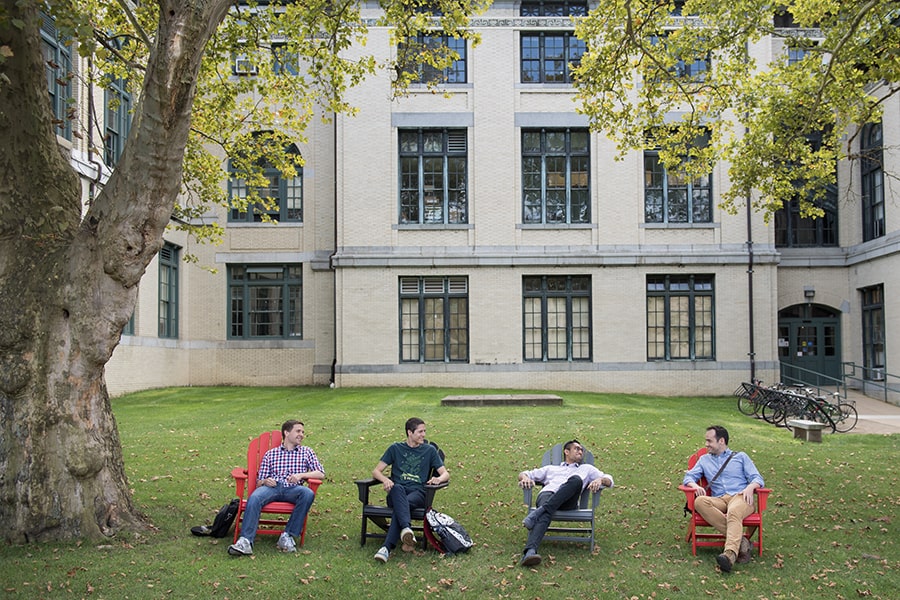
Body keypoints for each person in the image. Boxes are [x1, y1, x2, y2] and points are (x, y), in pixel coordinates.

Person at [228, 420, 325, 556]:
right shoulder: (271, 454)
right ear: (286, 432)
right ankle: (245, 542)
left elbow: (320, 473)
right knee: (255, 497)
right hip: (272, 488)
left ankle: (287, 536)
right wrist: (266, 481)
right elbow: (259, 481)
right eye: (298, 431)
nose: (301, 435)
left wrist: (301, 475)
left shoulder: (306, 452)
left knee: (308, 493)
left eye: (303, 432)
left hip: (293, 489)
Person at [517, 439, 614, 567]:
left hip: (568, 502)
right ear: (566, 452)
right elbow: (524, 473)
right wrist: (524, 478)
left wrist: (601, 480)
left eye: (581, 450)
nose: (580, 451)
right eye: (577, 449)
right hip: (548, 494)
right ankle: (530, 552)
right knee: (547, 511)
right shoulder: (550, 468)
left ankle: (536, 513)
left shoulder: (587, 469)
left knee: (576, 480)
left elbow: (610, 480)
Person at [682, 425, 764, 573]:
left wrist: (751, 487)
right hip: (719, 499)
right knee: (699, 501)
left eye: (709, 441)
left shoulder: (741, 457)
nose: (706, 444)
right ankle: (742, 542)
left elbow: (757, 477)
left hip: (740, 497)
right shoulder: (704, 460)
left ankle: (729, 555)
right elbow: (688, 476)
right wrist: (694, 485)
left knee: (733, 512)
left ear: (721, 441)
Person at [371, 417, 449, 563]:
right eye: (420, 432)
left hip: (418, 494)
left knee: (402, 505)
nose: (423, 435)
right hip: (396, 493)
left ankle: (386, 548)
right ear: (409, 432)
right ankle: (406, 530)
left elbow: (445, 473)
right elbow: (376, 471)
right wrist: (386, 480)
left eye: (424, 431)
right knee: (398, 488)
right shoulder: (395, 448)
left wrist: (438, 479)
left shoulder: (429, 450)